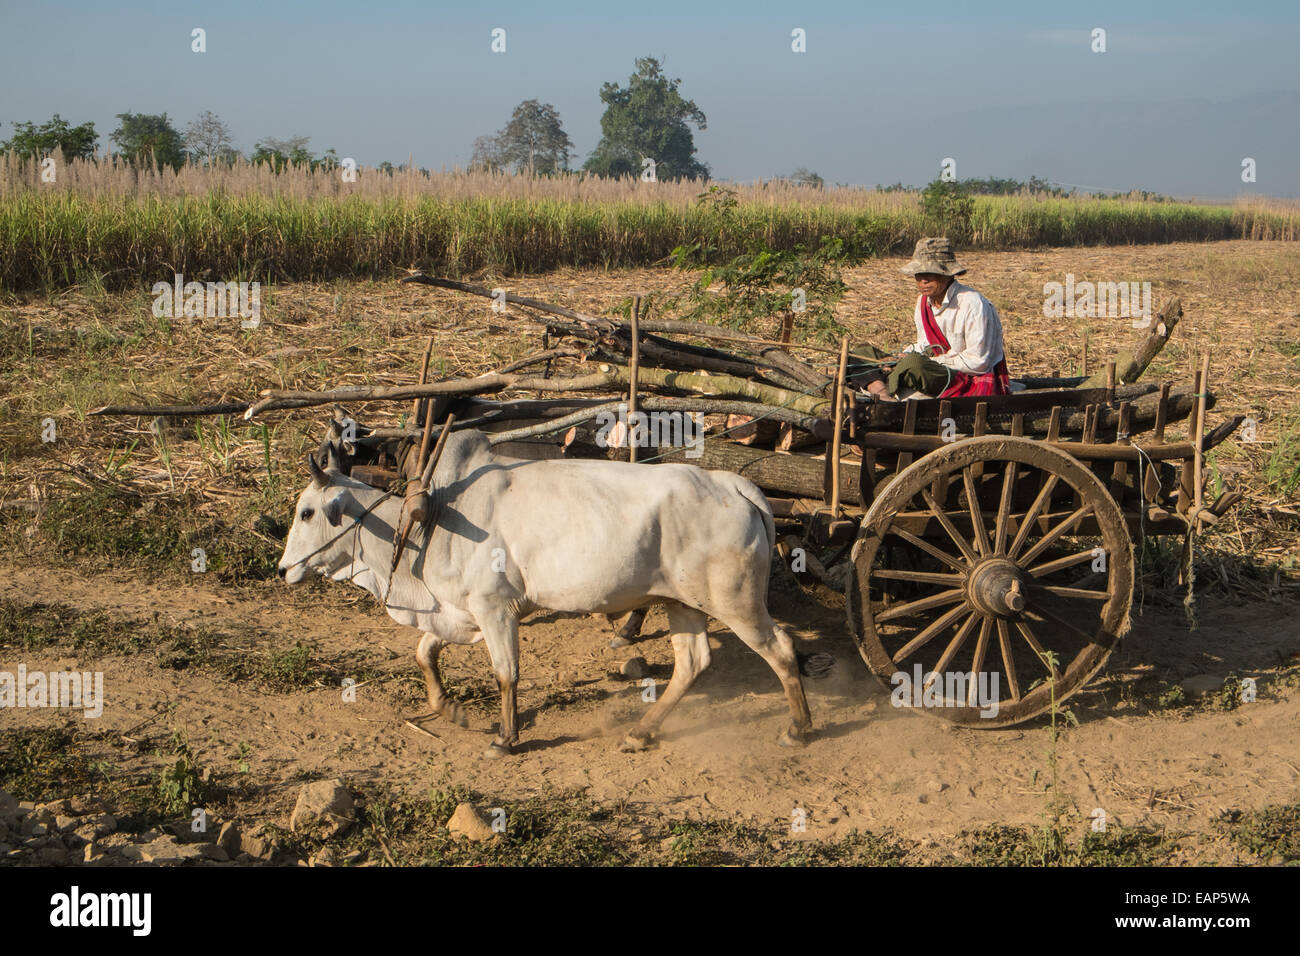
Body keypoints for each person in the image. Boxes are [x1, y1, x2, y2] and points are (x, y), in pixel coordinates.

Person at [856, 237, 1011, 401]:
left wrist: (932, 361)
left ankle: (881, 383)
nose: (923, 280)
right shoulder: (923, 302)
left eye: (930, 274)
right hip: (932, 366)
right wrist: (900, 356)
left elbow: (979, 362)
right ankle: (881, 390)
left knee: (914, 365)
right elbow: (924, 344)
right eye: (919, 274)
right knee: (860, 354)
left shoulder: (972, 304)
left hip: (962, 377)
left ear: (947, 274)